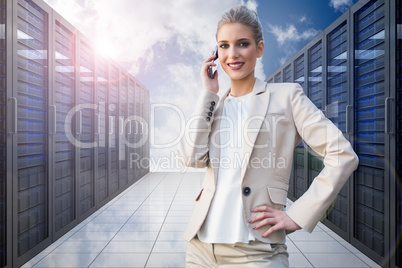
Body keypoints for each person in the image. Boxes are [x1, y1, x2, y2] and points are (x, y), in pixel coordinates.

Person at [177, 5, 358, 267]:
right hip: (201, 250)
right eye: (224, 46)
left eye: (242, 44)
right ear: (216, 53)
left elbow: (342, 154)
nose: (233, 54)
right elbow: (191, 157)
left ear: (259, 49)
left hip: (257, 252)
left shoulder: (287, 96)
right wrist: (208, 94)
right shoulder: (215, 107)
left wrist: (298, 214)